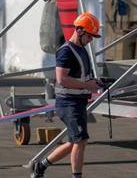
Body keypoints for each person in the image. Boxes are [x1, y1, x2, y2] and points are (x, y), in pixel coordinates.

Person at [32, 13, 102, 178]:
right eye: (90, 36)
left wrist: (97, 82)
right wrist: (87, 85)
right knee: (81, 140)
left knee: (73, 142)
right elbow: (61, 79)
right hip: (68, 104)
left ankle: (40, 167)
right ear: (79, 31)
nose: (91, 40)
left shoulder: (82, 50)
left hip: (78, 103)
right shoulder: (66, 51)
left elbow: (81, 76)